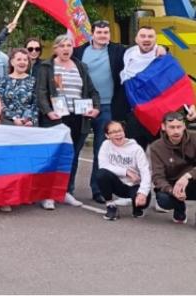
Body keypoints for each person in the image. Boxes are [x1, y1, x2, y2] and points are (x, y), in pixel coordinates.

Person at [35, 34, 100, 208]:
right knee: (53, 156)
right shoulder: (46, 67)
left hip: (78, 117)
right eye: (62, 45)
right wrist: (48, 112)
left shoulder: (81, 66)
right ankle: (48, 194)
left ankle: (66, 191)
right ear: (55, 48)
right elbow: (40, 92)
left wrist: (96, 108)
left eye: (69, 45)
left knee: (72, 156)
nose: (66, 49)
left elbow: (93, 91)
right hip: (56, 118)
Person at [72, 20, 128, 201]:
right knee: (75, 147)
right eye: (99, 32)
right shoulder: (79, 51)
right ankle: (67, 189)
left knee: (101, 150)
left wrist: (160, 50)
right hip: (82, 107)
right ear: (92, 34)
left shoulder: (118, 51)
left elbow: (140, 51)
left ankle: (97, 190)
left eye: (106, 32)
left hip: (106, 107)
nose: (103, 35)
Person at [95, 120, 150, 221]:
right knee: (101, 174)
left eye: (120, 130)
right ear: (107, 135)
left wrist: (143, 193)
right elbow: (103, 165)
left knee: (140, 207)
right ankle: (111, 205)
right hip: (118, 184)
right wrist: (126, 171)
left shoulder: (136, 149)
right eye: (113, 132)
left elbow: (145, 171)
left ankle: (137, 208)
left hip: (134, 184)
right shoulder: (106, 145)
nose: (118, 134)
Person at [148, 110, 196, 224]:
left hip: (192, 180)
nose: (176, 131)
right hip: (172, 185)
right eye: (172, 127)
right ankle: (179, 207)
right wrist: (172, 190)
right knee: (163, 199)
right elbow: (157, 177)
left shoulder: (194, 139)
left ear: (184, 126)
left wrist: (188, 176)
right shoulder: (156, 147)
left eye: (179, 127)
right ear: (163, 127)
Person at [0, 47, 38, 127]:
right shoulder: (2, 81)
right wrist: (14, 118)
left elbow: (36, 104)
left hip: (28, 124)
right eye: (19, 59)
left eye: (25, 60)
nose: (22, 62)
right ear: (12, 62)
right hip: (6, 123)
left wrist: (31, 120)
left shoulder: (34, 81)